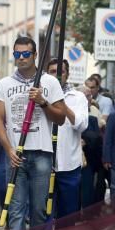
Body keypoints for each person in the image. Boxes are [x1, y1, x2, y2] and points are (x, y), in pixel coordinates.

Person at [0, 36, 66, 230]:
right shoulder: (4, 84)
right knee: (15, 211)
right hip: (16, 155)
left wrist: (42, 102)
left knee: (39, 211)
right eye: (17, 54)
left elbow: (61, 118)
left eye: (26, 54)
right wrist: (8, 149)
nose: (21, 58)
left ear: (35, 55)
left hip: (42, 153)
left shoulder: (50, 82)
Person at [48, 58, 89, 220]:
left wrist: (62, 105)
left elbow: (81, 125)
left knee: (68, 214)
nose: (57, 76)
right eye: (52, 72)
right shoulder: (41, 96)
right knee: (44, 212)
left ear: (67, 74)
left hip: (69, 164)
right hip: (45, 163)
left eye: (61, 72)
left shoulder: (77, 97)